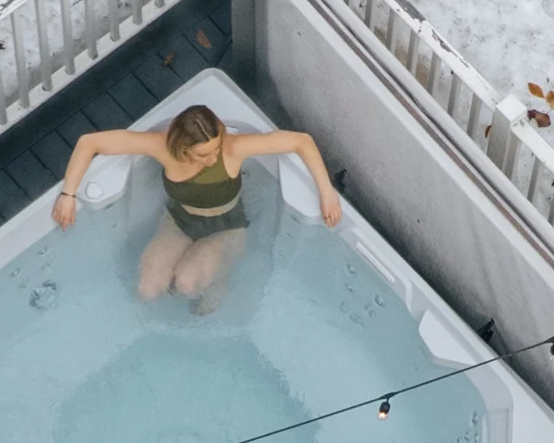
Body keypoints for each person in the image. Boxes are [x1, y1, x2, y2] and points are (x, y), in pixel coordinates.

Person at [51, 103, 343, 309]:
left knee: (188, 283)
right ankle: (206, 271)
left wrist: (326, 190)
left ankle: (220, 281)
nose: (211, 158)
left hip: (227, 227)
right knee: (147, 291)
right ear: (182, 146)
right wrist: (68, 194)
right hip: (179, 222)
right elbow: (89, 143)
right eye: (203, 154)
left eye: (214, 149)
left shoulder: (232, 148)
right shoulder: (162, 147)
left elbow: (300, 142)